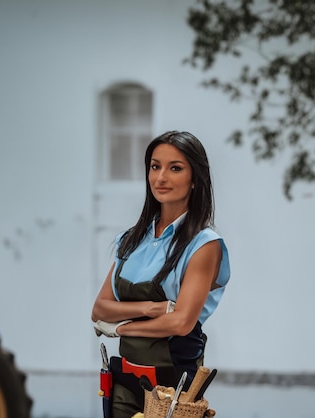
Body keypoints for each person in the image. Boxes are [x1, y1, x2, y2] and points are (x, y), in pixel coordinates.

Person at [91, 130, 230, 418]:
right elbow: (99, 309)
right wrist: (154, 308)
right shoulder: (129, 240)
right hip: (125, 381)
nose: (161, 177)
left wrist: (120, 327)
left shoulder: (204, 246)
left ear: (195, 180)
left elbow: (180, 322)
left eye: (175, 168)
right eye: (155, 166)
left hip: (173, 387)